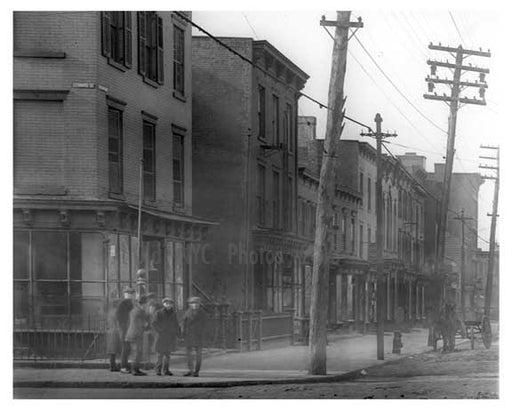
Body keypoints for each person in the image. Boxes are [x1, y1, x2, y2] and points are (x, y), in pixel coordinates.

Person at [152, 298, 180, 376]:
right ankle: (158, 370)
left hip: (170, 337)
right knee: (160, 355)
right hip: (161, 337)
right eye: (166, 303)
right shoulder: (158, 312)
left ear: (172, 305)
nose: (168, 305)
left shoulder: (174, 313)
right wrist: (160, 331)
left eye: (170, 304)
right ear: (163, 304)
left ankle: (166, 370)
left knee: (167, 355)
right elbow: (154, 323)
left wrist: (177, 333)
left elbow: (176, 324)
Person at [182, 296, 208, 377]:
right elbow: (183, 322)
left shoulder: (202, 313)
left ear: (199, 304)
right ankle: (190, 370)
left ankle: (196, 371)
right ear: (190, 304)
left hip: (198, 336)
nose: (195, 305)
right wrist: (183, 332)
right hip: (189, 335)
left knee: (198, 355)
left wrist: (202, 333)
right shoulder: (187, 312)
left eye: (196, 303)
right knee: (189, 354)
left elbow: (206, 325)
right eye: (192, 303)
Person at [125, 295, 149, 376]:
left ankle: (136, 369)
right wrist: (145, 325)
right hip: (135, 335)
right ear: (142, 304)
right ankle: (135, 370)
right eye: (146, 304)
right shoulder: (139, 312)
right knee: (136, 352)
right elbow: (140, 325)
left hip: (133, 334)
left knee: (137, 352)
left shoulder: (134, 311)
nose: (147, 306)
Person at [115, 286, 135, 373]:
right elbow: (118, 317)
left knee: (127, 349)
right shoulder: (123, 303)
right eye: (128, 293)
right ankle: (123, 367)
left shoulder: (130, 303)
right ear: (124, 294)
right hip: (124, 330)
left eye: (131, 293)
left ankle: (125, 365)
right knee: (125, 348)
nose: (129, 295)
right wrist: (124, 325)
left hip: (128, 329)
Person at [106, 298, 122, 371]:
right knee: (118, 350)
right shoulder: (117, 312)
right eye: (119, 303)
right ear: (116, 304)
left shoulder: (110, 312)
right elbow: (118, 322)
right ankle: (117, 366)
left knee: (112, 351)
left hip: (111, 332)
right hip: (116, 332)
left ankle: (112, 366)